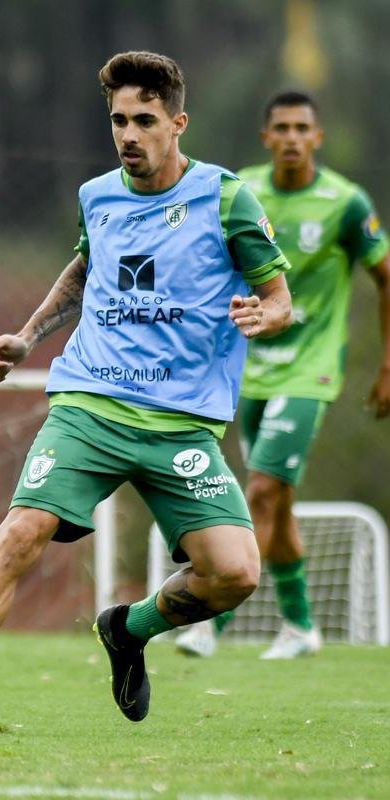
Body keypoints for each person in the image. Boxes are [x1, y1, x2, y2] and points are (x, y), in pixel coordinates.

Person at [0, 51, 293, 733]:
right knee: (23, 530)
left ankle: (128, 629)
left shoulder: (227, 198)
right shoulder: (97, 196)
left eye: (144, 120)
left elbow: (279, 296)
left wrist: (268, 313)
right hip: (90, 403)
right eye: (118, 120)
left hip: (183, 424)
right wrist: (27, 335)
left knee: (234, 575)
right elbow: (84, 269)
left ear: (178, 123)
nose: (128, 135)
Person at [174, 91, 390, 660]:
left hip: (310, 372)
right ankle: (300, 624)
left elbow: (386, 275)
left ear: (317, 137)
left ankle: (209, 621)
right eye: (282, 128)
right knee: (279, 499)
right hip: (250, 369)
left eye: (303, 128)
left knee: (263, 489)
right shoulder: (239, 190)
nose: (292, 137)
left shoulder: (345, 202)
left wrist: (389, 363)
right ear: (266, 137)